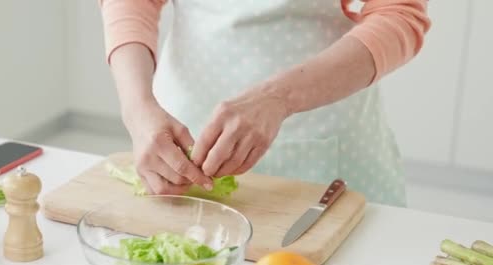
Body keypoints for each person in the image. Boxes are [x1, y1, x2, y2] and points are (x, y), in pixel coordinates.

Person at [97, 0, 431, 207]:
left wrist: (280, 97)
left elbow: (399, 14)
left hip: (326, 138)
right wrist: (137, 106)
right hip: (186, 140)